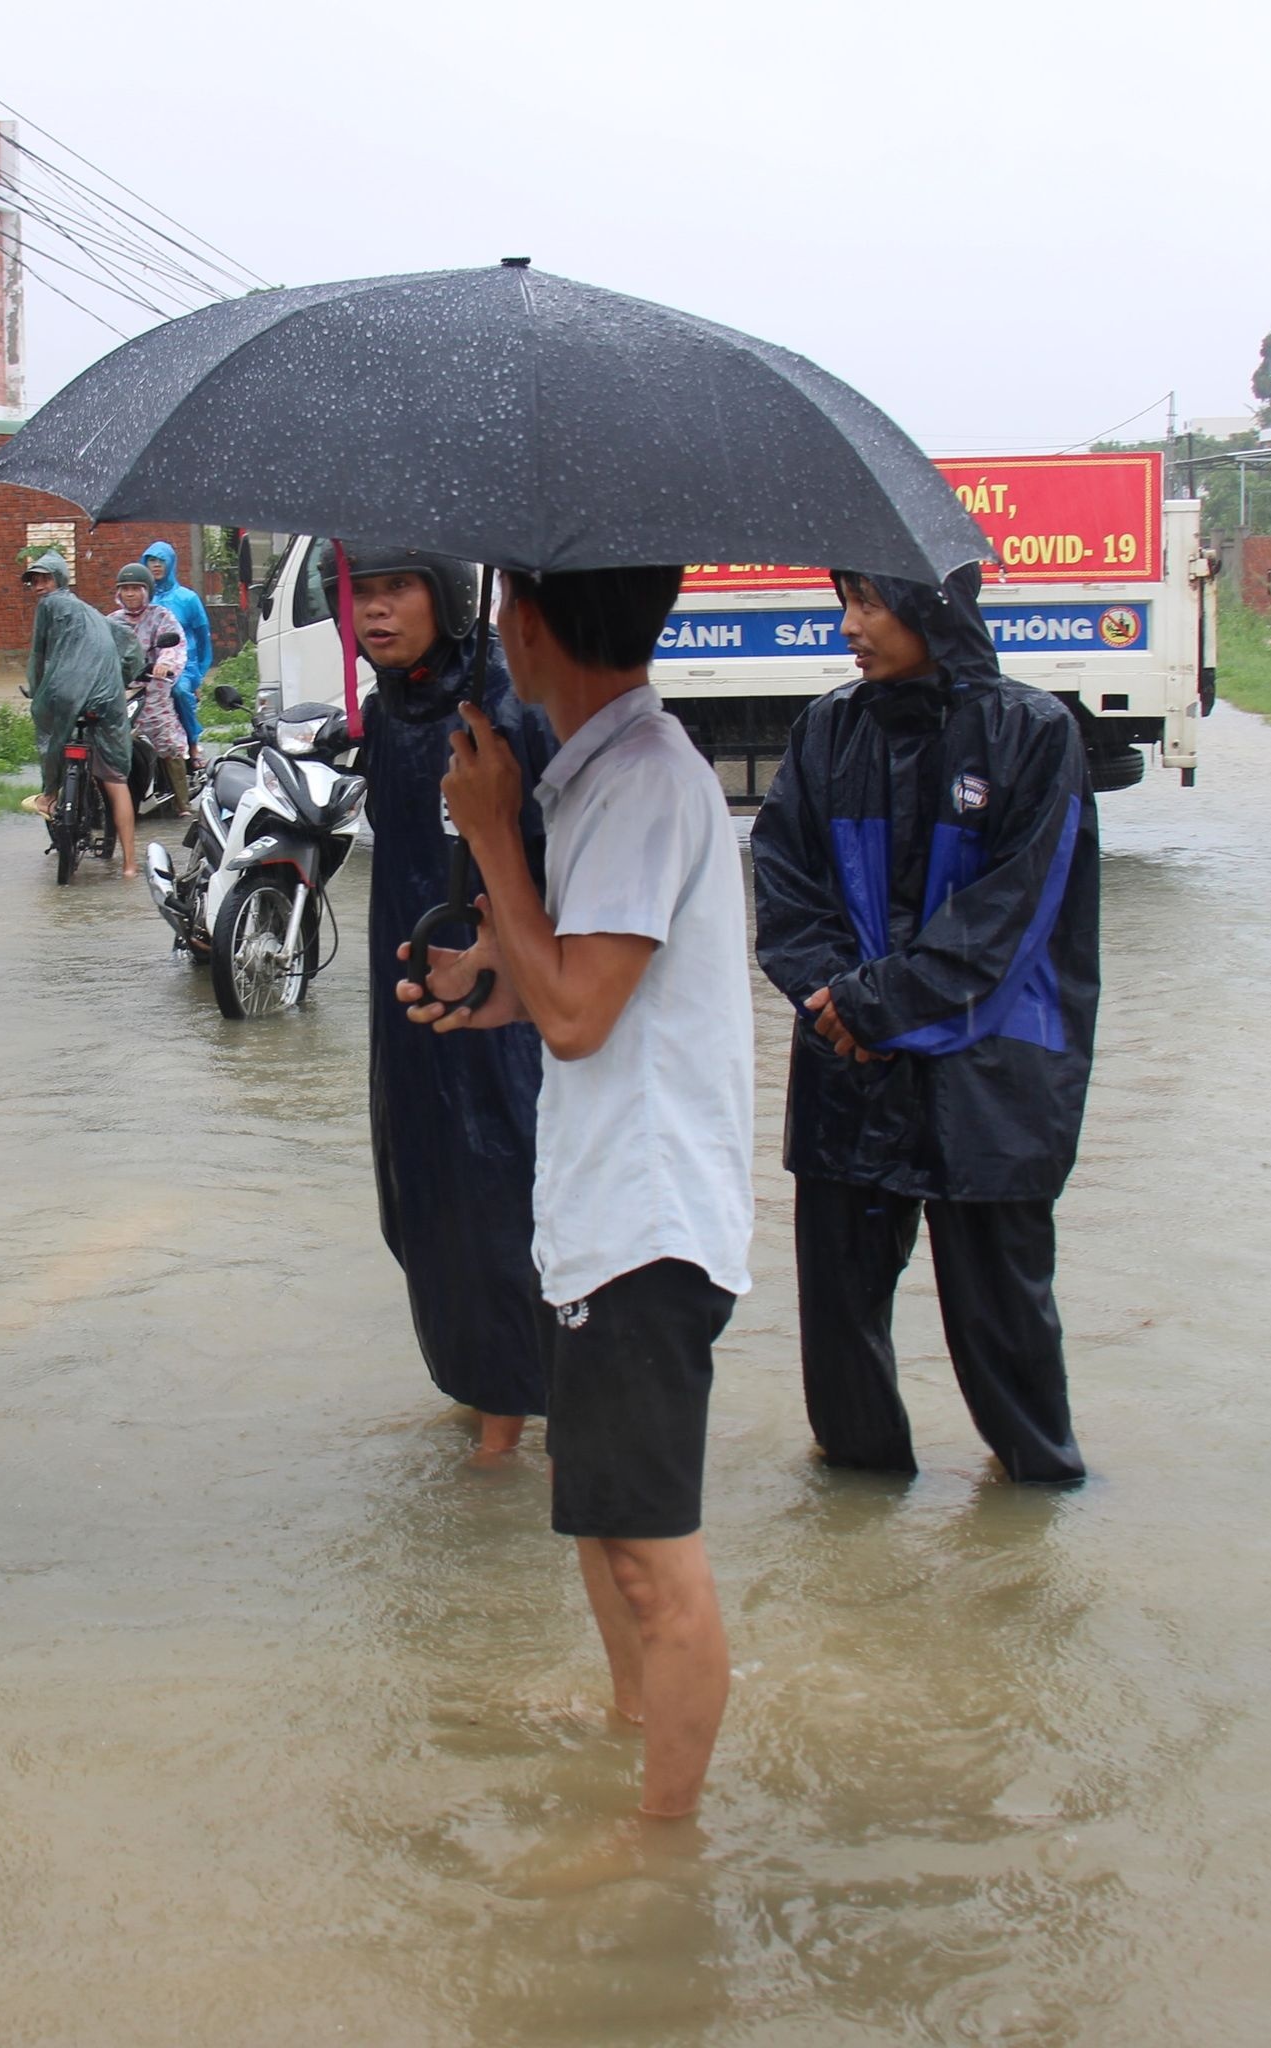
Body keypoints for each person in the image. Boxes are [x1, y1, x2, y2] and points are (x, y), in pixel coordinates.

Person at [399, 563, 754, 1822]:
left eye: (506, 610)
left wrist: (491, 832)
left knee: (652, 1558)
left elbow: (580, 1018)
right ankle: (631, 1738)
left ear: (532, 620)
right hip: (604, 1214)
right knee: (608, 1532)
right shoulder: (604, 774)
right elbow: (573, 985)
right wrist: (485, 980)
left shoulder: (644, 780)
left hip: (646, 1224)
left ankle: (666, 1848)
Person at [748, 563, 1096, 1485]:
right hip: (846, 1068)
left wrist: (867, 1007)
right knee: (839, 1323)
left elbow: (1010, 916)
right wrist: (836, 1004)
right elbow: (784, 885)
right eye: (844, 603)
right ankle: (859, 1524)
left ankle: (1037, 1495)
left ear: (931, 609)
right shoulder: (828, 729)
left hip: (992, 1078)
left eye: (869, 605)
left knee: (1004, 1323)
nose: (849, 627)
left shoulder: (1032, 733)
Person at [344, 543, 557, 1456]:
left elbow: (556, 876)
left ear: (449, 597)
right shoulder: (387, 718)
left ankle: (507, 1439)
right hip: (406, 1008)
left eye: (398, 589)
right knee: (420, 1210)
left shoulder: (504, 710)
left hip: (499, 1016)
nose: (375, 610)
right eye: (360, 591)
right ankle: (483, 1399)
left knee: (497, 1211)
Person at [18, 549, 137, 879]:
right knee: (116, 780)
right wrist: (121, 681)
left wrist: (36, 690)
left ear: (59, 580)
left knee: (48, 731)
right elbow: (131, 648)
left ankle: (49, 795)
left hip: (68, 694)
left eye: (45, 578)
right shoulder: (97, 615)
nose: (40, 586)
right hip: (108, 699)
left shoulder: (48, 606)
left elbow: (37, 657)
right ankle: (129, 866)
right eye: (35, 581)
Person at [110, 560, 191, 811]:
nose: (130, 593)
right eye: (125, 588)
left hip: (153, 691)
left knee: (167, 739)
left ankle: (182, 803)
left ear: (147, 590)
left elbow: (174, 647)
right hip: (120, 692)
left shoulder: (161, 617)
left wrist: (164, 664)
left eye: (136, 588)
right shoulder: (111, 621)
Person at [142, 538, 212, 762]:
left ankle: (192, 744)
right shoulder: (142, 598)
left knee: (179, 692)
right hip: (148, 666)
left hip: (184, 666)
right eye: (151, 560)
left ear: (171, 563)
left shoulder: (187, 598)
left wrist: (198, 676)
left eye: (161, 561)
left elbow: (203, 639)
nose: (156, 565)